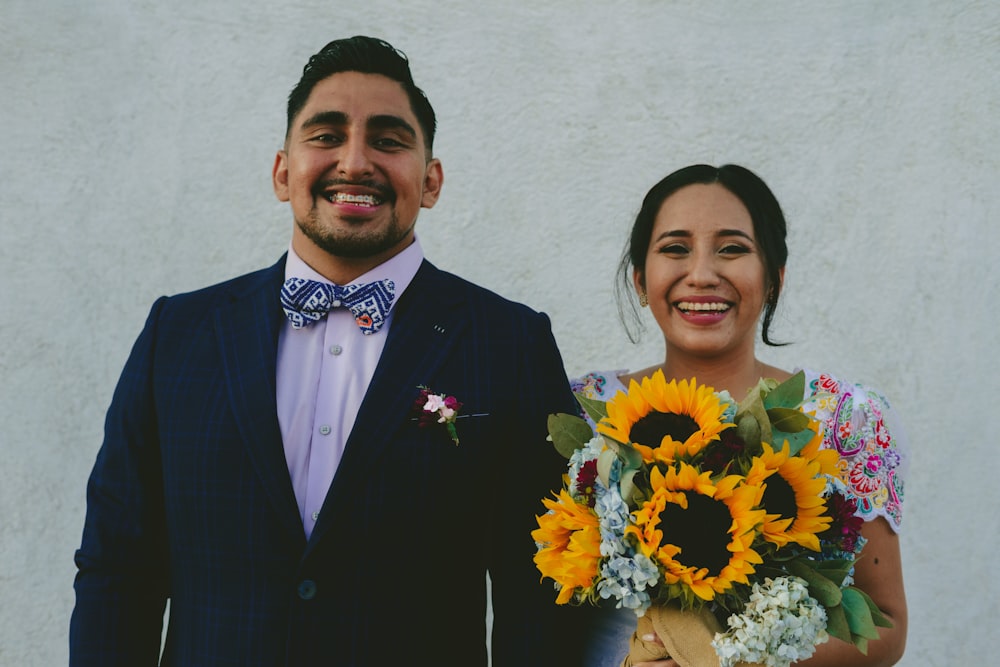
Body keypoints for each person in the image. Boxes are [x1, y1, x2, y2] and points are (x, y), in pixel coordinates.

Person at [70, 35, 588, 666]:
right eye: (326, 135)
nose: (355, 161)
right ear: (282, 171)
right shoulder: (176, 334)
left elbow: (537, 589)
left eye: (389, 140)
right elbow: (118, 568)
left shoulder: (511, 343)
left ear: (431, 181)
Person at [572, 164, 908, 666]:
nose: (703, 274)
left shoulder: (845, 417)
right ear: (642, 280)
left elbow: (885, 624)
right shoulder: (586, 411)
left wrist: (735, 660)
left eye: (732, 248)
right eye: (674, 249)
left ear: (774, 278)